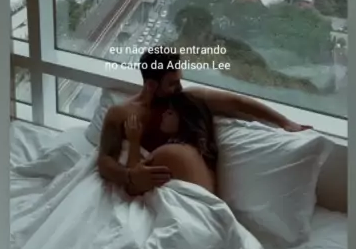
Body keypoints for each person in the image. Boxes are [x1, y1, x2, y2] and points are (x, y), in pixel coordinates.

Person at [97, 47, 310, 196]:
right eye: (172, 83)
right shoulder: (121, 114)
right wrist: (129, 176)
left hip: (185, 182)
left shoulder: (188, 100)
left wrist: (284, 122)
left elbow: (237, 102)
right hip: (148, 184)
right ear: (151, 85)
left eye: (179, 80)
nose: (179, 87)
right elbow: (105, 160)